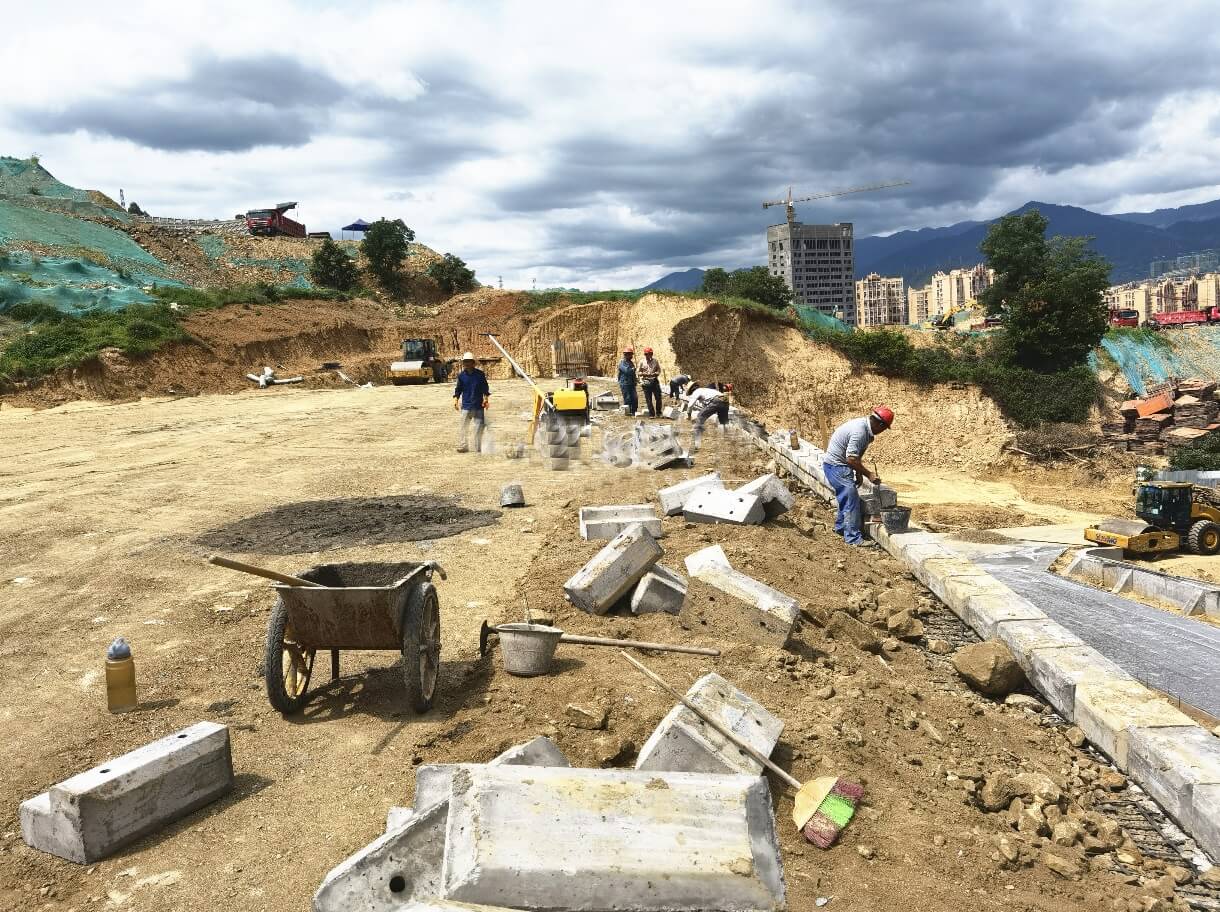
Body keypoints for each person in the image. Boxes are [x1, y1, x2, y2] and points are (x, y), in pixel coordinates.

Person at [823, 406, 894, 546]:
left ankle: (841, 528)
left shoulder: (866, 430)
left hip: (836, 466)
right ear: (880, 424)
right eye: (884, 428)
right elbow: (851, 459)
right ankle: (853, 538)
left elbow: (857, 455)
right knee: (851, 500)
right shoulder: (860, 431)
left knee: (846, 497)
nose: (883, 432)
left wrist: (859, 473)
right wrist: (869, 474)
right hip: (836, 467)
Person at [453, 352, 490, 453]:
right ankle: (463, 446)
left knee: (479, 428)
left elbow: (485, 388)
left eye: (469, 361)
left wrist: (486, 399)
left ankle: (478, 447)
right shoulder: (461, 376)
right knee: (463, 427)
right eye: (465, 362)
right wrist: (456, 399)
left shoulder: (480, 375)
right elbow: (458, 389)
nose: (467, 364)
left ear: (473, 363)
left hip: (478, 406)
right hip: (466, 406)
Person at [688, 382, 732, 450]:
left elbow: (690, 405)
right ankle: (728, 440)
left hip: (716, 401)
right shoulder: (707, 390)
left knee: (700, 417)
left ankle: (696, 444)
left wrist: (689, 415)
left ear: (692, 390)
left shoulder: (696, 391)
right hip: (725, 401)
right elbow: (706, 407)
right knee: (724, 421)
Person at [638, 347, 663, 417]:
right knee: (648, 399)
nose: (649, 356)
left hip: (654, 381)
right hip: (646, 381)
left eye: (650, 354)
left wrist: (656, 373)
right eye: (647, 354)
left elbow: (659, 370)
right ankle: (652, 414)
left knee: (658, 397)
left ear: (652, 354)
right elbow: (638, 372)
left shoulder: (655, 361)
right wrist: (644, 374)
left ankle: (658, 412)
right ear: (645, 354)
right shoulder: (642, 362)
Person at [617, 347, 638, 416]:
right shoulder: (622, 363)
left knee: (634, 398)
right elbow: (627, 371)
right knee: (627, 398)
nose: (631, 356)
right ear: (625, 355)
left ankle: (634, 411)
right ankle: (627, 412)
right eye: (629, 354)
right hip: (624, 383)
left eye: (631, 354)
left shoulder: (631, 363)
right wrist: (633, 369)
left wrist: (635, 380)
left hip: (631, 383)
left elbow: (633, 373)